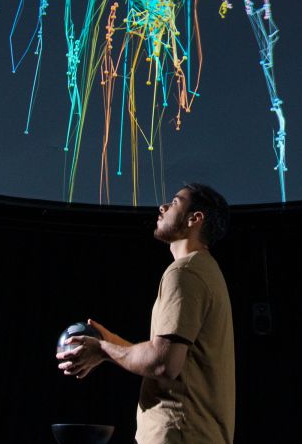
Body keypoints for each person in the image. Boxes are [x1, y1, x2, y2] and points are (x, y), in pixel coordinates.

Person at [57, 182, 234, 444]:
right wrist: (111, 342)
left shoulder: (184, 273)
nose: (162, 207)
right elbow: (173, 358)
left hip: (178, 435)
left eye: (175, 202)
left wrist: (104, 350)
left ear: (195, 219)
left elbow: (163, 363)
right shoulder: (206, 271)